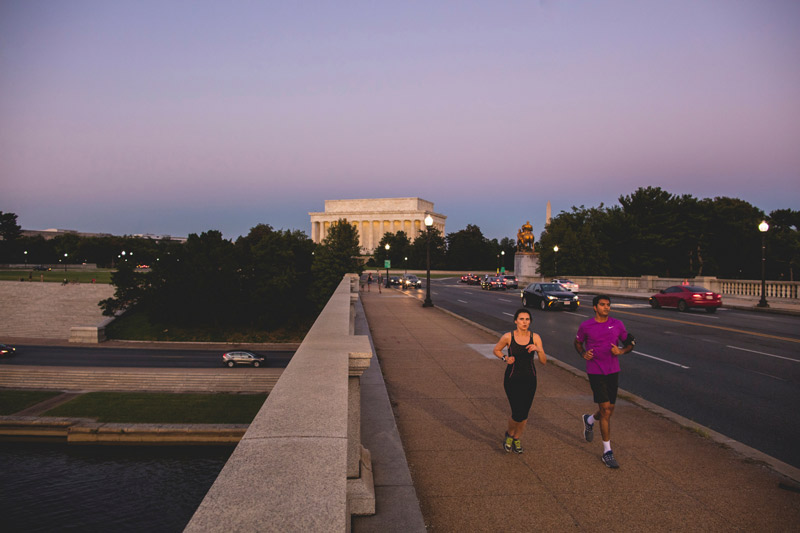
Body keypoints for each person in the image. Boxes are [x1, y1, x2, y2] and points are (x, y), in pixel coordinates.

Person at [574, 294, 635, 469]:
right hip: (595, 371)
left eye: (608, 305)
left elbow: (630, 342)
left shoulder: (617, 324)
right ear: (595, 307)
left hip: (613, 370)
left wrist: (622, 351)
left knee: (610, 409)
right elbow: (577, 343)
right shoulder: (586, 326)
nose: (606, 307)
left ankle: (590, 420)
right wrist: (583, 353)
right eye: (602, 305)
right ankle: (607, 452)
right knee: (606, 410)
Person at [492, 308, 547, 454]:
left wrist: (539, 350)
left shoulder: (535, 337)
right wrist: (505, 358)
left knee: (524, 413)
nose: (524, 322)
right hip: (512, 378)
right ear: (516, 320)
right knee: (517, 412)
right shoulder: (508, 337)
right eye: (521, 319)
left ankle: (517, 438)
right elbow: (496, 350)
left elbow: (543, 362)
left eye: (527, 319)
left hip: (530, 379)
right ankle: (509, 435)